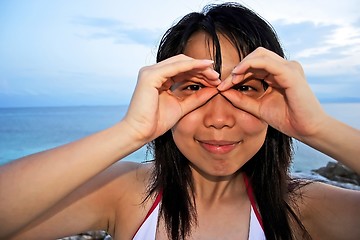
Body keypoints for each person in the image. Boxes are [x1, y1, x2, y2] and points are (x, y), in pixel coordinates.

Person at [0, 2, 359, 240]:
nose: (219, 119)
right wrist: (131, 132)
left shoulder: (301, 209)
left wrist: (317, 128)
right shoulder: (128, 193)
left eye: (245, 88)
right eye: (194, 88)